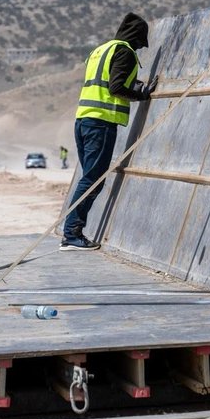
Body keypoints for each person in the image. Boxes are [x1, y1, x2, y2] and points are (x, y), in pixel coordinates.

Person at [61, 13, 157, 251]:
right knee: (93, 180)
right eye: (139, 44)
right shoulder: (125, 51)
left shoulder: (100, 50)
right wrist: (141, 94)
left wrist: (130, 85)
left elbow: (103, 81)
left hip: (83, 119)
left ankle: (71, 232)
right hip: (101, 123)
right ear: (136, 38)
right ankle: (71, 233)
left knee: (89, 178)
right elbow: (115, 87)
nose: (139, 48)